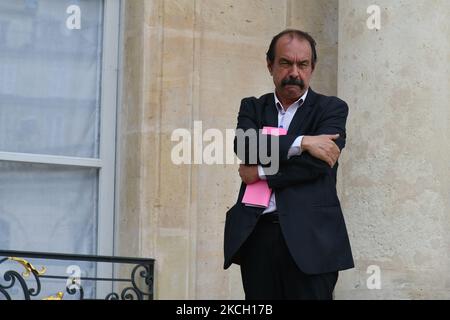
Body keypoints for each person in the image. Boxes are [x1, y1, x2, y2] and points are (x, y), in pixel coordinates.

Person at [223, 29, 354, 300]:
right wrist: (304, 142)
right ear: (270, 65)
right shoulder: (253, 107)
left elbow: (317, 166)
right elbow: (246, 146)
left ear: (312, 68)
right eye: (285, 63)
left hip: (312, 240)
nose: (294, 72)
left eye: (302, 64)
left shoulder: (331, 109)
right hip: (258, 237)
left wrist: (259, 171)